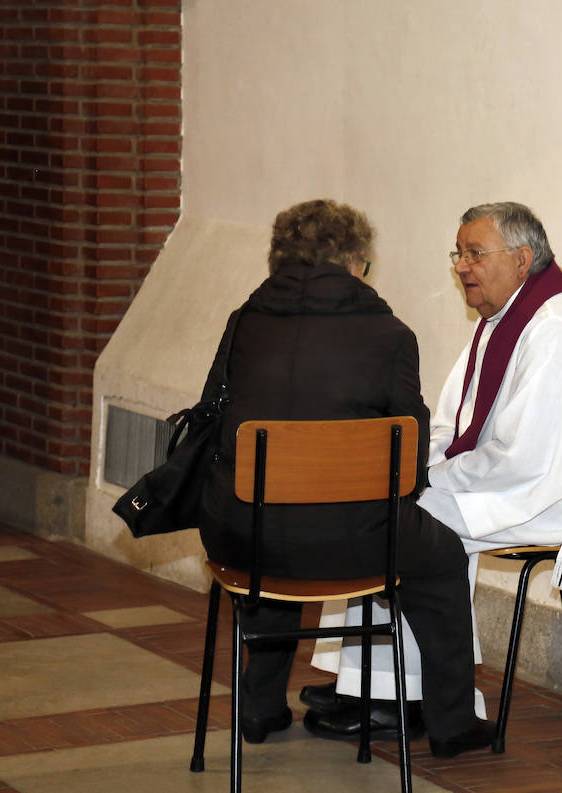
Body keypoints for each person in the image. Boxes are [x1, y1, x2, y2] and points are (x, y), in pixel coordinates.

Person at [304, 201, 562, 732]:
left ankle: (407, 699)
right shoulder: (506, 317)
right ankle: (364, 682)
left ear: (522, 258)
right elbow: (454, 424)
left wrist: (427, 479)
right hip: (520, 478)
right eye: (458, 254)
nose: (462, 266)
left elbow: (527, 460)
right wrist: (416, 466)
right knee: (383, 501)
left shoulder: (556, 329)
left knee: (412, 524)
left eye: (475, 253)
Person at [198, 199, 494, 758]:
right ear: (355, 260)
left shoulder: (244, 322)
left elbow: (213, 422)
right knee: (442, 556)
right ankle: (453, 722)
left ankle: (260, 709)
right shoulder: (389, 334)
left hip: (242, 535)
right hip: (352, 542)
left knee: (271, 532)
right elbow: (406, 458)